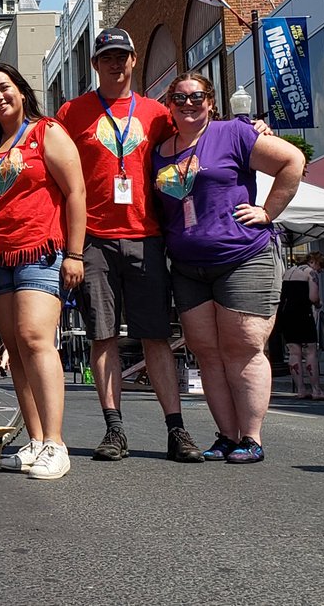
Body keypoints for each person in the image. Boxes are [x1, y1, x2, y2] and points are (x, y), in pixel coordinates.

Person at [55, 28, 206, 463]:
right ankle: (114, 429)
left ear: (134, 60)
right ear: (95, 64)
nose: (114, 63)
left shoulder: (158, 113)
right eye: (106, 57)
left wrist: (252, 124)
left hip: (147, 235)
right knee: (102, 336)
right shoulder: (72, 112)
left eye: (122, 56)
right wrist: (71, 248)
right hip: (94, 240)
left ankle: (176, 430)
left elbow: (198, 135)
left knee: (154, 335)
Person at [151, 71, 304, 464]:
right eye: (179, 98)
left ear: (211, 102)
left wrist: (267, 211)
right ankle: (226, 435)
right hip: (187, 266)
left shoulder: (234, 133)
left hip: (243, 257)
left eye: (196, 97)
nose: (188, 104)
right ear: (169, 105)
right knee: (207, 352)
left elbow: (292, 161)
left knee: (244, 347)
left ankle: (251, 439)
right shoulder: (160, 150)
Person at [0, 62, 86, 480]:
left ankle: (56, 442)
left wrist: (75, 254)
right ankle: (35, 439)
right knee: (15, 348)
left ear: (21, 90)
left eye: (4, 88)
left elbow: (75, 193)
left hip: (42, 250)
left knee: (36, 338)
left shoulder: (47, 132)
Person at [279, 252, 324, 399]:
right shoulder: (311, 273)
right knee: (311, 351)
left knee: (294, 352)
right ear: (314, 262)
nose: (321, 270)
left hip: (285, 314)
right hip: (302, 313)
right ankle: (316, 390)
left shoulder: (287, 272)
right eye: (321, 266)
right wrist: (319, 304)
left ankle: (301, 390)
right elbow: (313, 297)